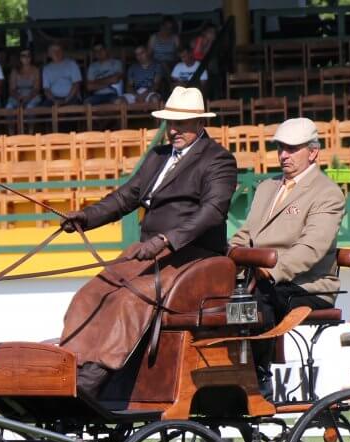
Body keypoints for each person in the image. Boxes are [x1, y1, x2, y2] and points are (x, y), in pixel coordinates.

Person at [58, 87, 237, 396]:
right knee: (90, 293)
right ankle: (74, 364)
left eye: (181, 123)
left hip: (192, 257)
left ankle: (95, 379)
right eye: (170, 123)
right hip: (147, 253)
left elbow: (212, 212)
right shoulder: (157, 157)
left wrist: (167, 240)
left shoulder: (218, 160)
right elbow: (126, 197)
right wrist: (86, 218)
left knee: (130, 299)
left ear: (199, 123)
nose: (174, 130)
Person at [229, 117, 345, 393]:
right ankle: (223, 371)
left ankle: (258, 375)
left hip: (307, 285)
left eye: (292, 149)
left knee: (257, 299)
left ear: (313, 152)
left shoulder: (328, 193)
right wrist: (225, 261)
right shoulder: (267, 188)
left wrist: (273, 270)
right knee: (215, 294)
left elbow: (312, 247)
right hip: (260, 279)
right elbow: (246, 234)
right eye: (281, 148)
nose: (283, 155)